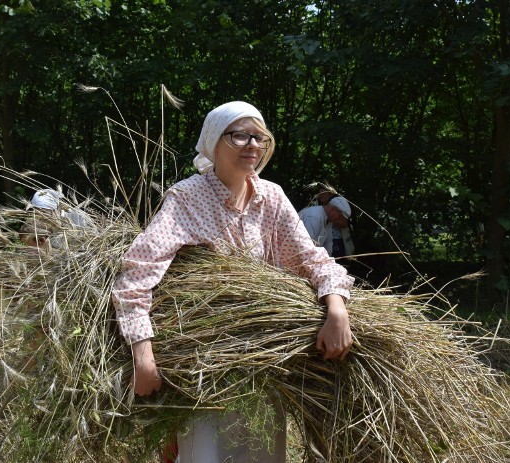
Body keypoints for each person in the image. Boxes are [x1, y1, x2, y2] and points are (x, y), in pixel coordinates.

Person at [112, 101, 354, 463]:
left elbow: (311, 259)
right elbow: (136, 274)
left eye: (259, 136)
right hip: (205, 365)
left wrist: (336, 309)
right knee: (206, 453)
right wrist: (143, 356)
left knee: (261, 453)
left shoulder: (271, 197)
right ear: (213, 141)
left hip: (264, 361)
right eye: (239, 135)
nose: (252, 145)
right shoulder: (188, 198)